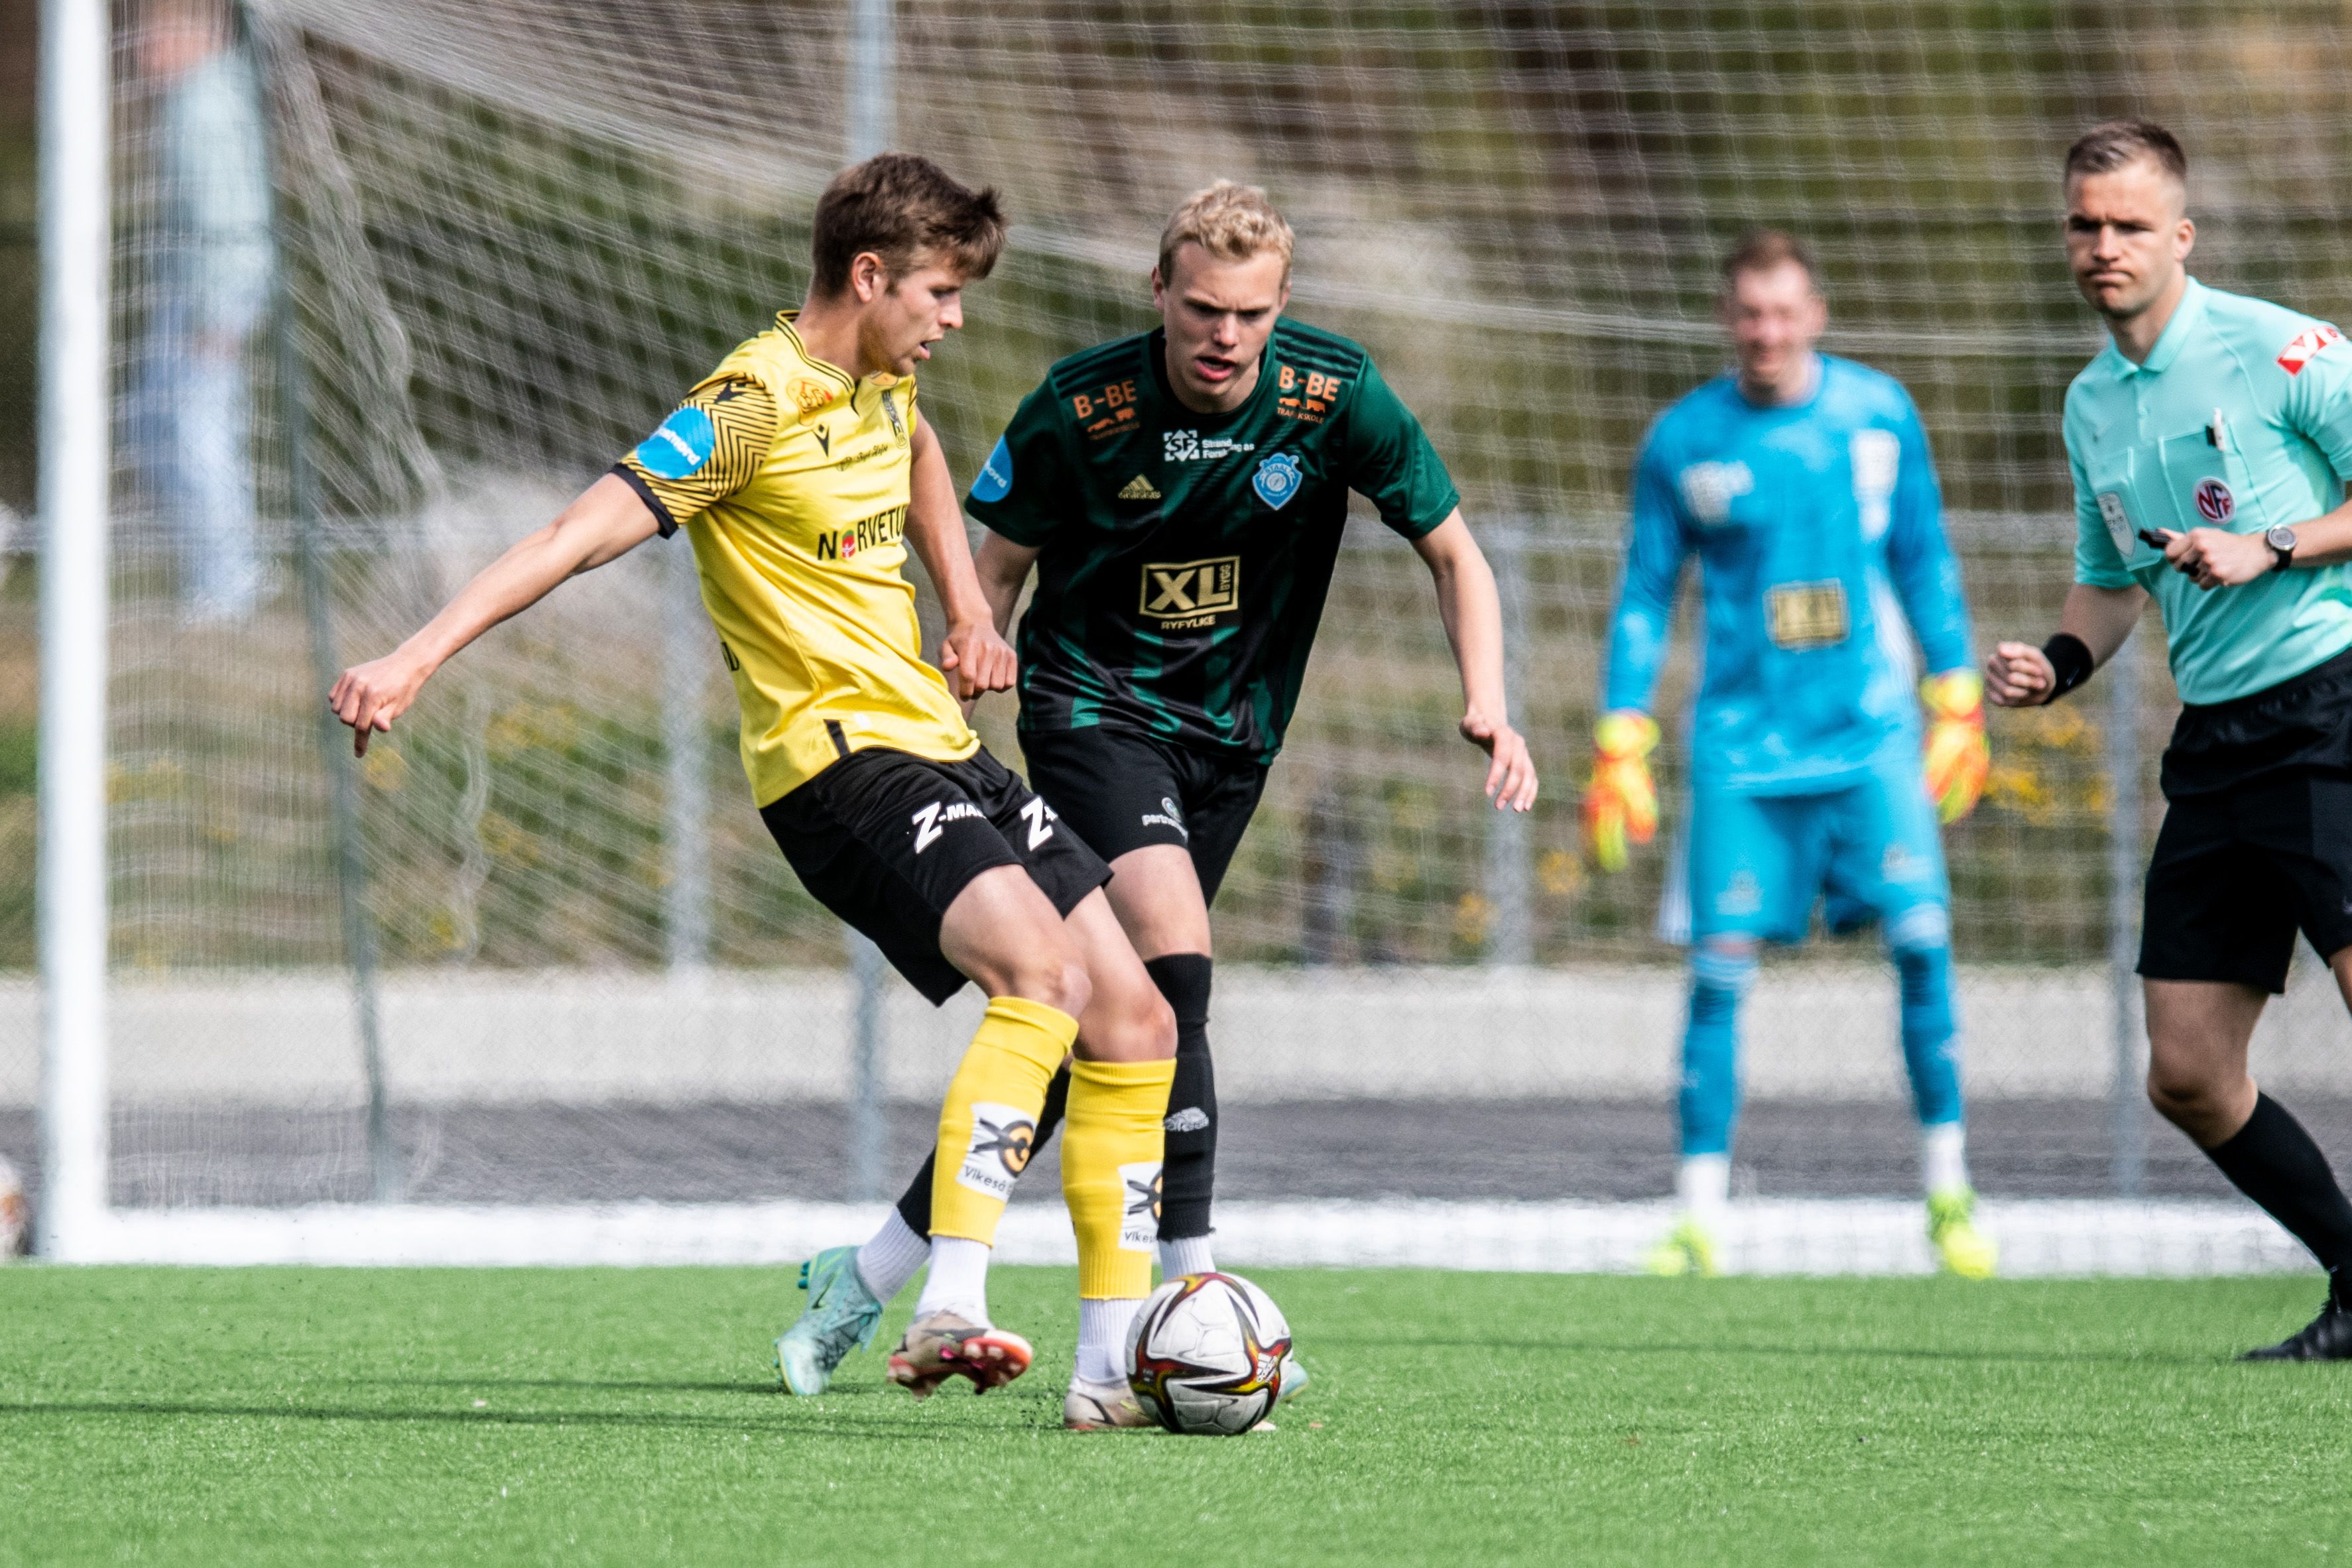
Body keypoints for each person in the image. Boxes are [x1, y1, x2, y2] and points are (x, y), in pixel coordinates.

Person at [328, 154, 1182, 1424]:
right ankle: (949, 1303)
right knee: (1041, 977)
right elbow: (572, 535)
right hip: (838, 765)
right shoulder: (746, 406)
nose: (955, 320)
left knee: (1135, 1018)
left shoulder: (884, 379)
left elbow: (918, 453)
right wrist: (413, 656)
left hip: (936, 739)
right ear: (869, 275)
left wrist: (964, 603)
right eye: (941, 293)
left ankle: (1103, 1373)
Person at [776, 180, 1538, 1422]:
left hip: (1233, 743)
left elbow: (1454, 552)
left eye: (1249, 314)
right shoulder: (1085, 406)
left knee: (1115, 1027)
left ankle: (867, 1270)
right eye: (1200, 310)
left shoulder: (1333, 395)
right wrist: (960, 675)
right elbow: (993, 569)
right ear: (1159, 295)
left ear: (1280, 308)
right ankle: (1189, 1292)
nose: (1223, 336)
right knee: (1174, 969)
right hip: (1092, 718)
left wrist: (1490, 701)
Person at [1987, 121, 2352, 1358]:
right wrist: (2057, 662)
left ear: (2180, 236)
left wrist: (2274, 545)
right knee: (2187, 1073)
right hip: (2218, 743)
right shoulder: (2089, 405)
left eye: (2128, 224)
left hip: (2332, 707)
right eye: (2083, 224)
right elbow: (2109, 581)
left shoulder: (2278, 350)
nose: (2103, 245)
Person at [1585, 229, 1996, 1279]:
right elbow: (1643, 591)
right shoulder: (1683, 440)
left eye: (1782, 312)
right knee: (1715, 980)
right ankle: (1696, 1217)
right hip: (1739, 753)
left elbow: (1922, 557)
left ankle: (1949, 1197)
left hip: (1869, 738)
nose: (1765, 332)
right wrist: (1620, 727)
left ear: (1813, 314)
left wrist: (1955, 691)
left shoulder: (1876, 414)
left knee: (1921, 947)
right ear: (1727, 319)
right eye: (1748, 314)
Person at [135, 0, 276, 622]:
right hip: (195, 292)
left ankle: (229, 582)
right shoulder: (198, 98)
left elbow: (228, 218)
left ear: (195, 36)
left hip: (211, 296)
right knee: (160, 427)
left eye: (155, 36)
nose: (142, 52)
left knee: (197, 434)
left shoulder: (205, 107)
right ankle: (216, 573)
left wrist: (217, 315)